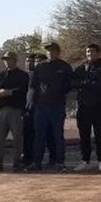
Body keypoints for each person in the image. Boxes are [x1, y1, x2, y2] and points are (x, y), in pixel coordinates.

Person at [27, 41, 72, 171]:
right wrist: (32, 101)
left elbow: (70, 85)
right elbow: (33, 85)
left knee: (58, 135)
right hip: (41, 107)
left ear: (58, 52)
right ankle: (37, 162)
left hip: (57, 107)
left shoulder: (65, 67)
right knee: (39, 136)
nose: (50, 52)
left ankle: (60, 162)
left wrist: (59, 92)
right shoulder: (40, 66)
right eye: (48, 50)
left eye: (53, 50)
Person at [72, 43, 101, 172]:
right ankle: (85, 160)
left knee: (100, 135)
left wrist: (84, 83)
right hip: (83, 107)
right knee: (84, 135)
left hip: (99, 107)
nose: (90, 54)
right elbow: (73, 83)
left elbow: (100, 84)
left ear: (98, 53)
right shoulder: (80, 68)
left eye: (93, 51)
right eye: (88, 51)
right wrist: (87, 82)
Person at [0, 51, 29, 172]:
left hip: (16, 110)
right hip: (1, 110)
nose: (7, 61)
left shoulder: (23, 75)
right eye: (5, 59)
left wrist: (9, 92)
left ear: (15, 60)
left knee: (17, 138)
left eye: (9, 59)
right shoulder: (1, 75)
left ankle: (17, 162)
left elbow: (23, 90)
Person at [22, 52, 56, 166]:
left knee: (49, 134)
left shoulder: (48, 75)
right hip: (29, 108)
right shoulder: (24, 76)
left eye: (36, 62)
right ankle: (28, 158)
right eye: (29, 61)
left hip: (44, 107)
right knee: (28, 134)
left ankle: (53, 159)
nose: (32, 64)